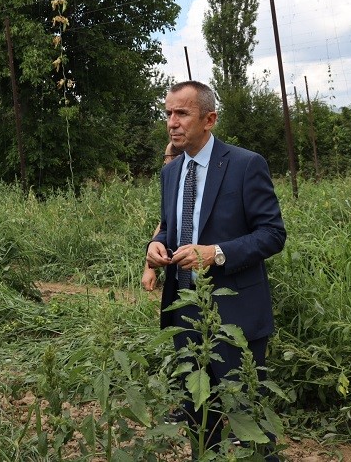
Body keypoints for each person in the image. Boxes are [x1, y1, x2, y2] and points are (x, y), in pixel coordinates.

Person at [145, 80, 286, 456]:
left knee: (248, 416)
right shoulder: (172, 172)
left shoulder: (245, 164)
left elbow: (272, 234)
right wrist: (156, 247)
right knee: (196, 414)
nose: (172, 122)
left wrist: (217, 253)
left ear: (209, 119)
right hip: (186, 311)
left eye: (182, 113)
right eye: (168, 113)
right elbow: (171, 228)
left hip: (235, 313)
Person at [142, 142, 183, 292]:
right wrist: (149, 266)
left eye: (166, 157)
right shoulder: (169, 178)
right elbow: (164, 225)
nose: (164, 162)